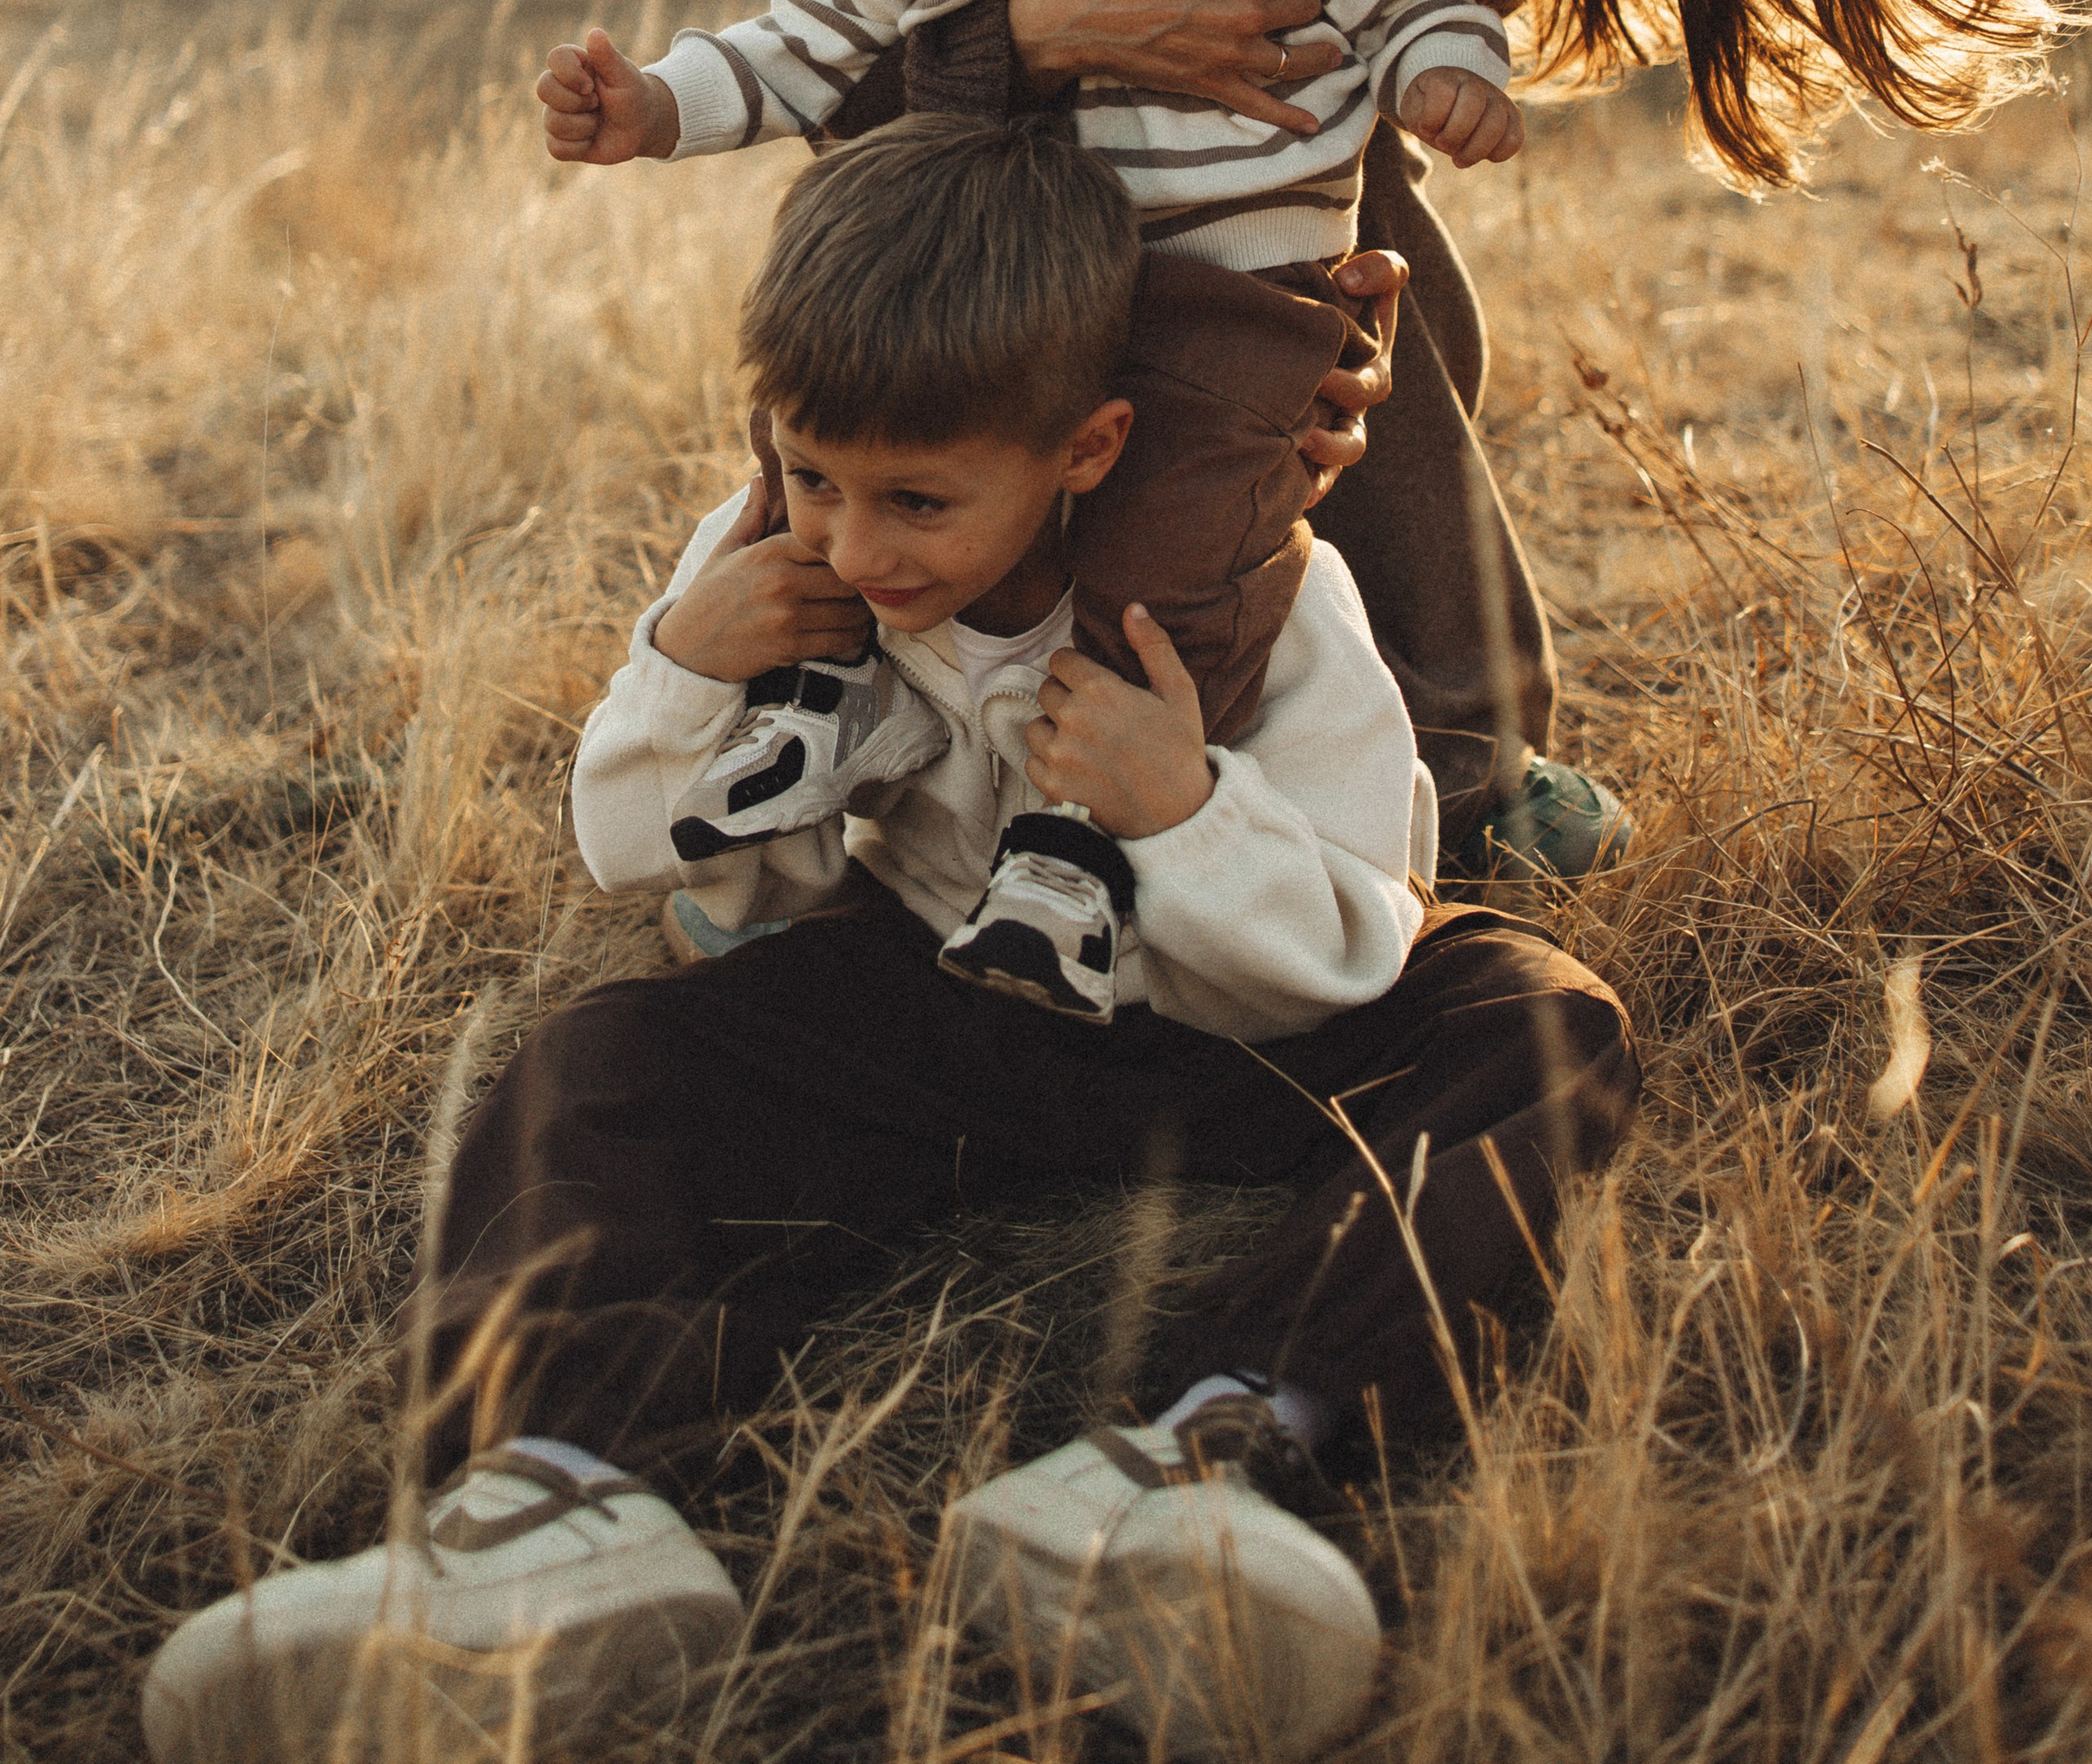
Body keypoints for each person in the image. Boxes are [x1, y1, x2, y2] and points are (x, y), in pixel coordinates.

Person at [140, 119, 1639, 1764]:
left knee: (1540, 1021)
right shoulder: (798, 564)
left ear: (1089, 448)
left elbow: (1351, 945)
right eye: (814, 479)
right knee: (609, 1059)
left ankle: (1216, 1461)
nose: (855, 547)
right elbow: (674, 866)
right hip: (945, 1001)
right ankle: (560, 1507)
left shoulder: (1259, 604)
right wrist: (685, 667)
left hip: (1239, 1033)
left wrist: (1180, 810)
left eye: (917, 501)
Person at [679, 0, 2075, 870]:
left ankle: (1457, 755)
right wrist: (1047, 27)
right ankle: (798, 709)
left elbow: (1334, 146)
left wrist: (1306, 351)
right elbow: (831, 64)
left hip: (1257, 71)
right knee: (932, 347)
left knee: (1362, 333)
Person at [538, 0, 1544, 1009]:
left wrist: (1453, 75)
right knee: (842, 426)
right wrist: (654, 107)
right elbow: (797, 54)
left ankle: (1078, 843)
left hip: (1238, 307)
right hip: (1011, 276)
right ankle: (808, 705)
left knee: (1177, 553)